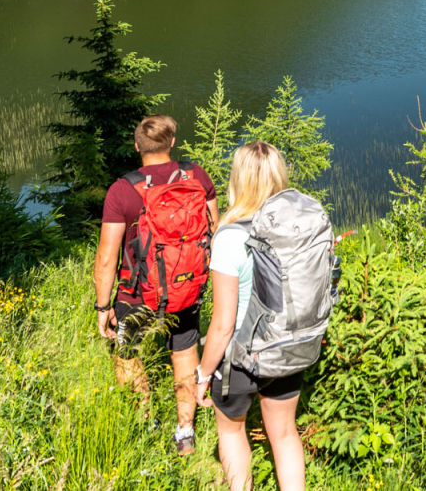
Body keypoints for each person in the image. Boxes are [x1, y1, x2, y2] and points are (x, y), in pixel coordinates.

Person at [93, 114, 217, 455]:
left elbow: (106, 258)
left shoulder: (123, 190)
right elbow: (213, 232)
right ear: (172, 143)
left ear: (137, 147)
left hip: (137, 294)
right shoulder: (197, 176)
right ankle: (185, 434)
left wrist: (103, 307)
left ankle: (145, 423)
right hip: (187, 287)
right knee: (185, 354)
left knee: (128, 356)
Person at [195, 141, 306, 491]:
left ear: (238, 180)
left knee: (230, 430)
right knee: (286, 435)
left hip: (241, 361)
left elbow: (223, 323)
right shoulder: (297, 228)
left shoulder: (230, 238)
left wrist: (203, 373)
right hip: (289, 349)